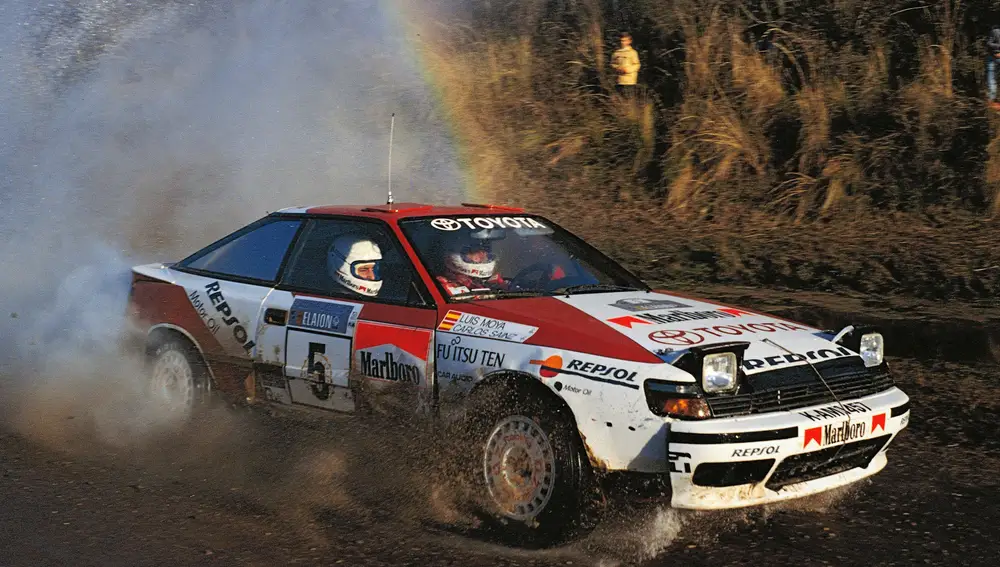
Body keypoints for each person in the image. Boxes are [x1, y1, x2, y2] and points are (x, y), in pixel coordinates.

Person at [435, 238, 509, 296]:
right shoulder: (445, 287)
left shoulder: (493, 281)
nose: (483, 255)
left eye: (484, 250)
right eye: (474, 251)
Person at [611, 32, 641, 97]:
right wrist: (617, 68)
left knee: (629, 100)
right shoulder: (616, 53)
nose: (622, 42)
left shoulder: (633, 52)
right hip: (619, 81)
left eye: (624, 41)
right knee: (620, 100)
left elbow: (637, 65)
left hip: (629, 81)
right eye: (621, 40)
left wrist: (627, 70)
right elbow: (612, 64)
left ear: (629, 41)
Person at [988, 25, 1000, 108]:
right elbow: (989, 43)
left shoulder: (995, 31)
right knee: (992, 78)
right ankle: (992, 101)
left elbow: (989, 43)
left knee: (992, 78)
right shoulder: (996, 31)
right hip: (993, 56)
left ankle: (993, 101)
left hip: (993, 56)